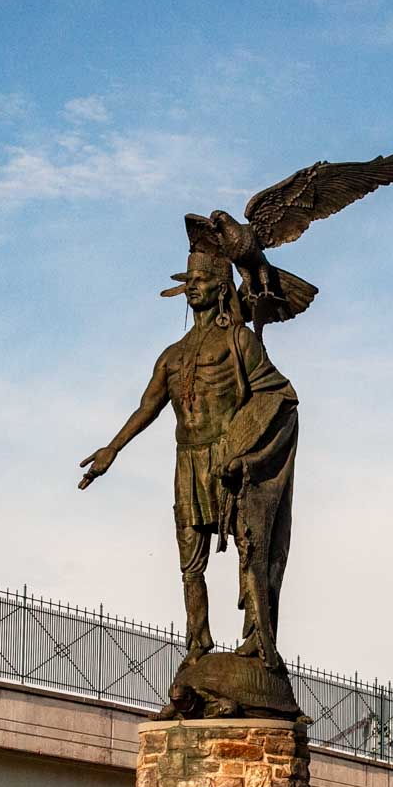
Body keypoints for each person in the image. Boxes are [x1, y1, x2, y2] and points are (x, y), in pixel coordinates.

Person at [79, 250, 298, 678]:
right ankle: (198, 641)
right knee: (189, 561)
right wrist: (112, 449)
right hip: (188, 460)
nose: (192, 286)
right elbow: (148, 406)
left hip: (229, 456)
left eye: (200, 280)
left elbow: (276, 394)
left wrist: (246, 449)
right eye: (189, 281)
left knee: (248, 546)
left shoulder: (238, 341)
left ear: (220, 288)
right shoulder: (171, 355)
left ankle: (256, 639)